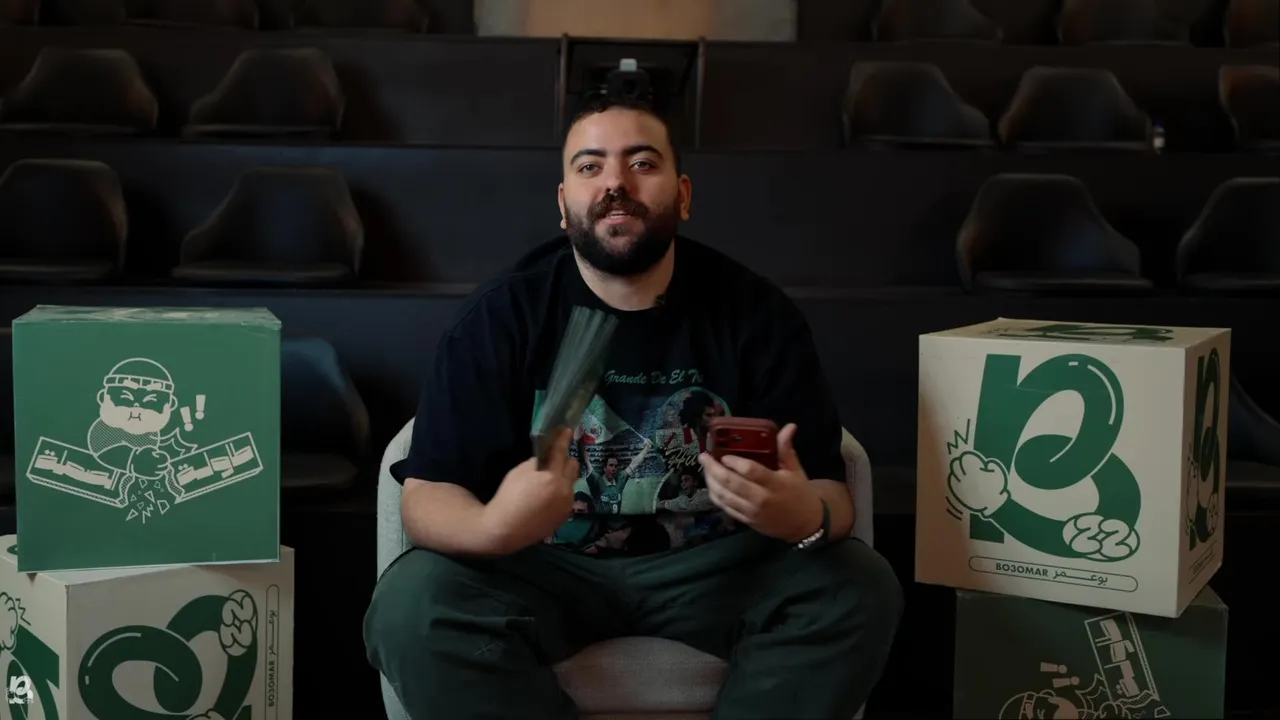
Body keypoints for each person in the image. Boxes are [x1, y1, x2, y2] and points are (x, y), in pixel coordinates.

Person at [364, 94, 904, 719]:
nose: (615, 183)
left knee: (858, 588)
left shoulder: (758, 314)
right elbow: (426, 495)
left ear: (683, 195)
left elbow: (833, 496)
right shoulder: (500, 318)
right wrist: (495, 527)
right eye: (590, 166)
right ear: (563, 203)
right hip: (543, 566)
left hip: (720, 566)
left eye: (642, 163)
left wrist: (798, 514)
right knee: (412, 607)